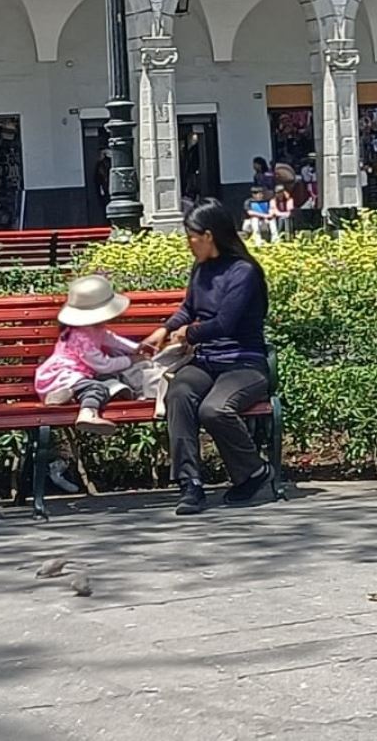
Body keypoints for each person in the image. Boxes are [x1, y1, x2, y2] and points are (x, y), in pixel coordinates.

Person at [137, 200, 275, 515]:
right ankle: (190, 484)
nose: (188, 243)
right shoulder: (201, 268)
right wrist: (165, 329)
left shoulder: (245, 272)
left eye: (192, 237)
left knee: (214, 409)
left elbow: (225, 322)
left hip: (243, 362)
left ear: (209, 236)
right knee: (179, 394)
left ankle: (253, 471)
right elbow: (189, 308)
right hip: (206, 361)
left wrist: (188, 334)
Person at [34, 275, 149, 433]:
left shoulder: (92, 329)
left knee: (98, 383)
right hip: (65, 376)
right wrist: (131, 360)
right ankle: (88, 413)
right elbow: (103, 365)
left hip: (74, 377)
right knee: (96, 388)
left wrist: (135, 348)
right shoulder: (81, 338)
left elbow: (111, 339)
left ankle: (65, 396)